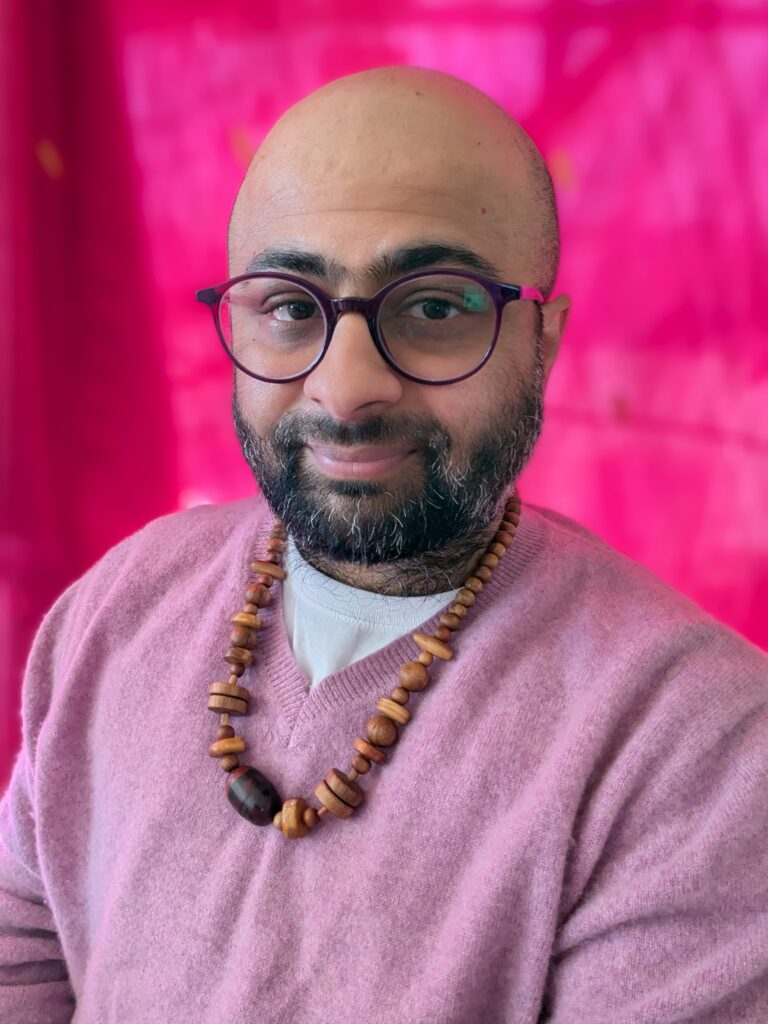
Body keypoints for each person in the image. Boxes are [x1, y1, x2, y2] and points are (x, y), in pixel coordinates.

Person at [1, 66, 766, 1024]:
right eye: (290, 305)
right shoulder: (118, 604)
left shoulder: (702, 746)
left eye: (435, 306)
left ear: (544, 337)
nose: (346, 386)